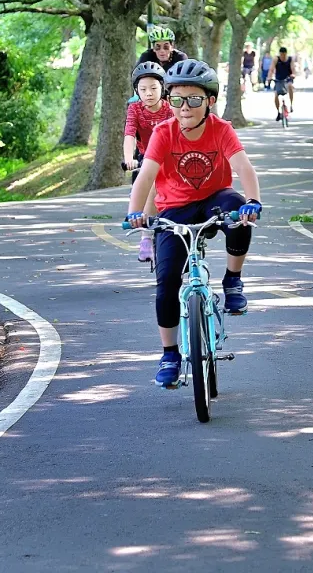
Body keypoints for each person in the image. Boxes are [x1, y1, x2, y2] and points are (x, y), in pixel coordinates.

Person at [126, 59, 262, 388]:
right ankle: (170, 354)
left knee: (239, 210)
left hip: (215, 198)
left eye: (194, 100)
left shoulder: (221, 129)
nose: (184, 107)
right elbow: (145, 178)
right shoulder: (163, 133)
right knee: (167, 282)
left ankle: (232, 280)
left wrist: (254, 201)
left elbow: (243, 168)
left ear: (210, 102)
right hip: (175, 209)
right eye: (176, 99)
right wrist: (135, 213)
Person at [122, 62, 171, 263]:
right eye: (143, 89)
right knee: (148, 185)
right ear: (137, 91)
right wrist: (128, 158)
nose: (148, 93)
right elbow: (129, 135)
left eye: (153, 88)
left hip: (171, 156)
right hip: (146, 158)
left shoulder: (170, 109)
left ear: (163, 89)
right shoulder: (135, 109)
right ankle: (146, 238)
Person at [270, 46, 296, 120]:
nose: (283, 56)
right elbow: (271, 69)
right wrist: (269, 77)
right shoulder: (276, 59)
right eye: (281, 55)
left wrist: (293, 74)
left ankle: (291, 104)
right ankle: (278, 112)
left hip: (288, 78)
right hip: (278, 79)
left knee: (290, 86)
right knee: (276, 95)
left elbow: (293, 69)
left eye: (284, 55)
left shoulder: (290, 59)